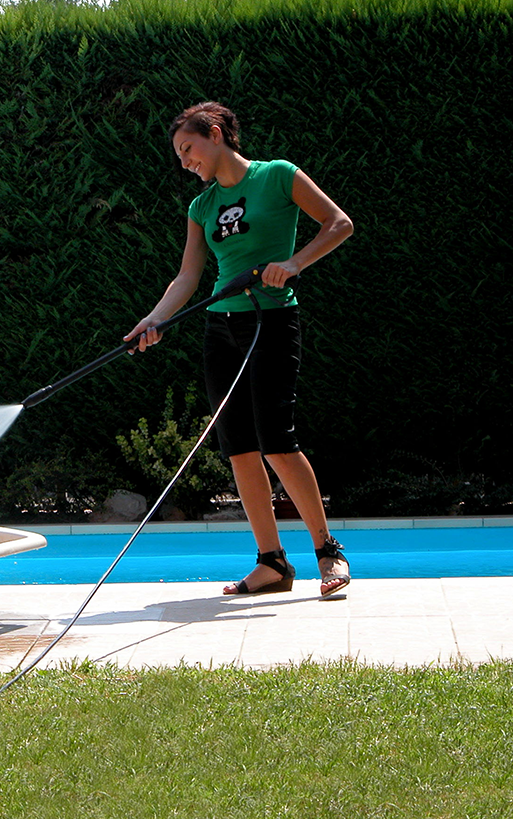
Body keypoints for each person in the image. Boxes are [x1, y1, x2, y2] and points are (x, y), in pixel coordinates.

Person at [124, 101, 354, 599]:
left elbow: (339, 224)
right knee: (241, 451)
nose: (185, 161)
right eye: (179, 156)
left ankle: (327, 551)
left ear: (215, 133)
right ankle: (271, 563)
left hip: (270, 322)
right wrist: (155, 319)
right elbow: (188, 276)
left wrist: (293, 263)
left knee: (277, 442)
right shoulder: (201, 207)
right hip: (220, 329)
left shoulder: (278, 176)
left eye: (188, 148)